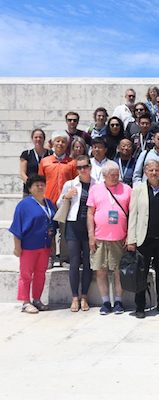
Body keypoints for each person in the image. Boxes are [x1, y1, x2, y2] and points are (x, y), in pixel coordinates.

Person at [126, 159, 159, 318]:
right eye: (151, 170)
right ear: (145, 172)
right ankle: (140, 306)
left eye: (157, 170)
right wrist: (131, 239)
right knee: (141, 273)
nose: (154, 173)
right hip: (144, 239)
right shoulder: (138, 190)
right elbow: (133, 215)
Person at [87, 161, 132, 315]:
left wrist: (130, 235)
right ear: (104, 175)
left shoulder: (127, 189)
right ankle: (106, 302)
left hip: (120, 238)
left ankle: (118, 301)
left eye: (116, 174)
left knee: (118, 271)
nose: (114, 177)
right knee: (101, 271)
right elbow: (90, 213)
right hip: (99, 238)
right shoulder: (95, 189)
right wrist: (91, 236)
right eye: (111, 175)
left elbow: (132, 214)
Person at [10, 175, 57, 314]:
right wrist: (17, 247)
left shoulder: (49, 203)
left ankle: (37, 299)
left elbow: (52, 224)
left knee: (40, 274)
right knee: (26, 274)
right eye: (36, 185)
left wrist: (52, 244)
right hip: (28, 247)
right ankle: (25, 302)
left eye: (42, 184)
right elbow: (17, 226)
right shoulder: (24, 205)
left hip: (44, 246)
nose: (40, 187)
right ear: (30, 188)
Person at [58, 155, 95, 312]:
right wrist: (66, 196)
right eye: (79, 167)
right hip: (73, 226)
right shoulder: (70, 184)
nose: (82, 170)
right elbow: (59, 203)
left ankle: (84, 296)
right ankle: (74, 297)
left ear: (90, 167)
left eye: (84, 166)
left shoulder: (97, 184)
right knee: (74, 262)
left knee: (88, 262)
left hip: (90, 227)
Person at [38, 131, 76, 206]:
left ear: (67, 145)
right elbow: (40, 182)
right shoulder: (44, 162)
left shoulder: (72, 162)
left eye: (63, 142)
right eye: (58, 141)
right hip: (48, 200)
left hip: (66, 201)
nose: (60, 144)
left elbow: (75, 183)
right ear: (53, 143)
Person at [20, 129, 52, 196]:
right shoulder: (26, 154)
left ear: (44, 139)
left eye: (40, 137)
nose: (38, 139)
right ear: (32, 139)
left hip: (46, 190)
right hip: (29, 191)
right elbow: (22, 173)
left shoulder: (50, 154)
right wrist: (31, 185)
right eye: (36, 137)